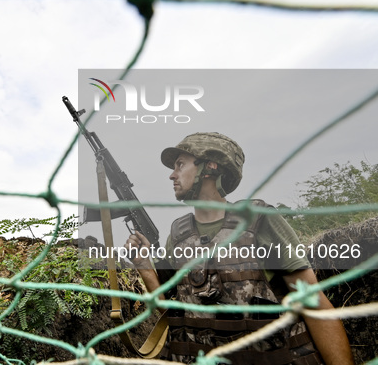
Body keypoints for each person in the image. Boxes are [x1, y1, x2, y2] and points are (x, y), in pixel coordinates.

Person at [125, 132, 353, 365]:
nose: (172, 175)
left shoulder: (258, 221)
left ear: (210, 167)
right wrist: (143, 265)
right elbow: (171, 308)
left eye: (180, 165)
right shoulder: (179, 234)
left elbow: (313, 303)